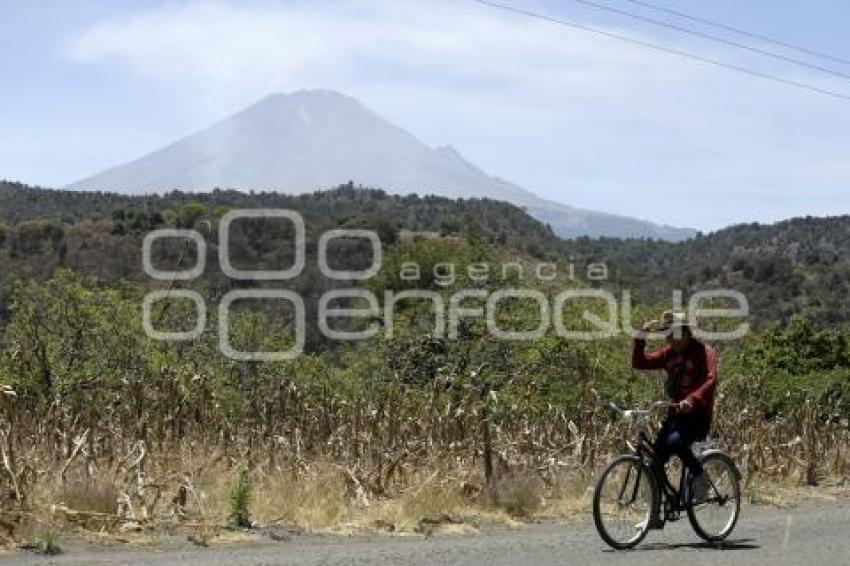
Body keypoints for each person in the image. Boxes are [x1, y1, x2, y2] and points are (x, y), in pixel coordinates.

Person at [632, 310, 717, 524]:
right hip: (675, 416)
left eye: (674, 333)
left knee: (675, 442)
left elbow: (711, 380)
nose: (670, 339)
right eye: (667, 334)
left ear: (686, 332)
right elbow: (639, 362)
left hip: (697, 416)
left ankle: (699, 477)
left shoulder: (704, 352)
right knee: (655, 462)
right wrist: (641, 336)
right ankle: (654, 515)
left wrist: (692, 400)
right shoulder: (669, 354)